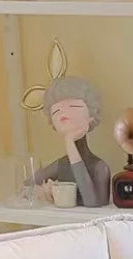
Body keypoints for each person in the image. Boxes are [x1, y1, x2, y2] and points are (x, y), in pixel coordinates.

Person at [35, 77, 110, 207]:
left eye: (73, 106)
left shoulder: (99, 167)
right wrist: (44, 192)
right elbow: (26, 185)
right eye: (56, 110)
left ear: (91, 116)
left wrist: (70, 142)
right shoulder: (61, 164)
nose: (63, 111)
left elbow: (91, 202)